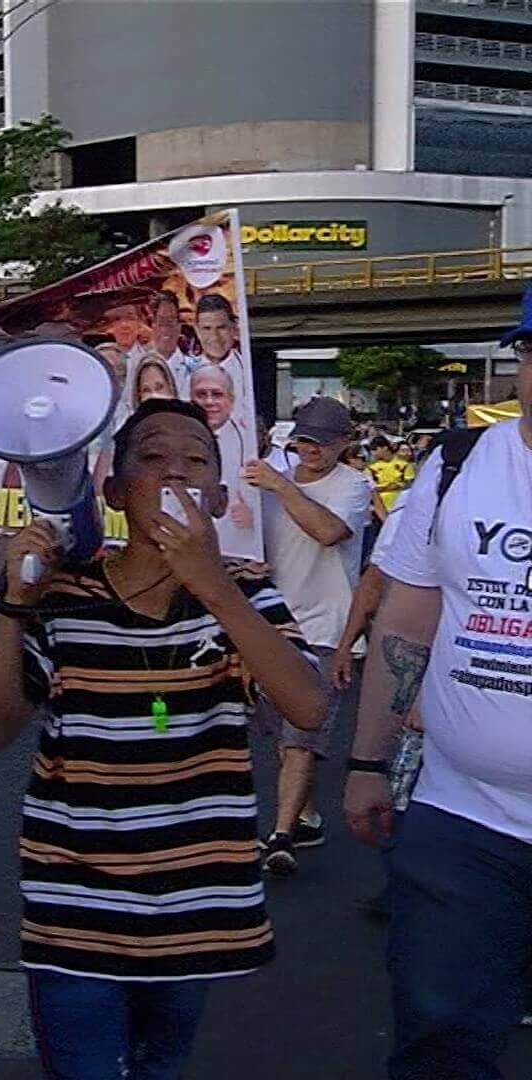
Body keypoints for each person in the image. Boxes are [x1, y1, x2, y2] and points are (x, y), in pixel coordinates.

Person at [0, 398, 324, 1080]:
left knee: (161, 1065)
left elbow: (307, 706)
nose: (173, 473)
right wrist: (16, 603)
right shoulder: (67, 596)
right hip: (75, 908)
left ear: (219, 497)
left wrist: (213, 586)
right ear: (112, 490)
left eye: (195, 461)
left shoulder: (244, 591)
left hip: (193, 909)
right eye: (152, 458)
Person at [343, 297, 532, 1080]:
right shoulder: (460, 464)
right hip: (463, 820)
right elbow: (410, 614)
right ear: (522, 358)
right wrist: (364, 765)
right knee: (441, 1040)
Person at [242, 397, 372, 874]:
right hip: (272, 625)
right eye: (304, 439)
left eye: (322, 441)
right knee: (282, 738)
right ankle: (308, 815)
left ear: (343, 443)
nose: (311, 449)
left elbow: (328, 531)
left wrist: (279, 486)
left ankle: (280, 837)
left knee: (301, 738)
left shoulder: (354, 485)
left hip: (324, 628)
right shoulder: (268, 482)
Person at [190, 364, 253, 548]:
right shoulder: (177, 438)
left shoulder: (251, 443)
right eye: (201, 394)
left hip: (236, 547)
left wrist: (255, 516)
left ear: (231, 400)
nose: (209, 402)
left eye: (217, 394)